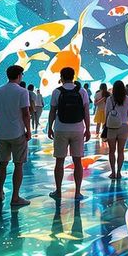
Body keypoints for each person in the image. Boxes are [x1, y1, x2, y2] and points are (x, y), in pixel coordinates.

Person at [48, 67, 91, 200]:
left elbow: (52, 111)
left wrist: (50, 127)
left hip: (61, 128)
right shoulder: (82, 91)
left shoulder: (57, 91)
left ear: (61, 76)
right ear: (74, 76)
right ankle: (77, 192)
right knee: (77, 161)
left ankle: (58, 191)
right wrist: (88, 128)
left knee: (59, 161)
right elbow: (86, 112)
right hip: (78, 129)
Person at [0, 65, 32, 206]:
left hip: (2, 133)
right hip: (18, 132)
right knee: (18, 165)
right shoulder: (22, 91)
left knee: (2, 164)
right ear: (19, 75)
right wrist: (28, 130)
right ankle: (15, 197)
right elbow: (26, 113)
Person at [103, 80, 128, 179]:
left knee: (112, 151)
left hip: (112, 127)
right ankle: (119, 172)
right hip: (124, 126)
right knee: (121, 151)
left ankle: (113, 172)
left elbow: (107, 113)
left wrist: (105, 126)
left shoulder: (109, 99)